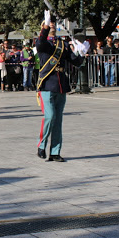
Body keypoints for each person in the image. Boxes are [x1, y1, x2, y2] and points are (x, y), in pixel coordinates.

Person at [35, 11, 84, 161]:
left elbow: (74, 61)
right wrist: (44, 26)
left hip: (61, 85)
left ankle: (55, 152)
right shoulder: (43, 44)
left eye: (53, 24)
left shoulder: (62, 44)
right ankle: (41, 145)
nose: (52, 25)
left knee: (58, 121)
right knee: (49, 117)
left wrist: (81, 53)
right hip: (47, 84)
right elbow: (40, 42)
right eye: (49, 23)